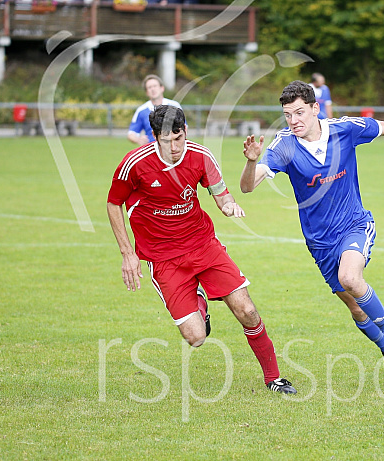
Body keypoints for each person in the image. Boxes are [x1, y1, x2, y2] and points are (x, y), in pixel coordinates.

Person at [240, 81, 384, 376]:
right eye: (288, 115)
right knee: (355, 307)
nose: (294, 120)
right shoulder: (284, 146)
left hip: (354, 224)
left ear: (316, 109)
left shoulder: (343, 129)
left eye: (300, 112)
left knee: (350, 277)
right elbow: (248, 187)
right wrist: (251, 163)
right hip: (320, 242)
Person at [108, 105, 296, 394]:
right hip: (163, 259)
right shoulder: (135, 163)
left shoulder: (200, 156)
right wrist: (127, 253)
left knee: (247, 310)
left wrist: (230, 205)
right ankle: (199, 301)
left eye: (179, 138)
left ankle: (274, 378)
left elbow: (221, 194)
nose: (174, 147)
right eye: (166, 140)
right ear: (155, 137)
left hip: (203, 245)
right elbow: (113, 203)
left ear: (186, 131)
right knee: (196, 337)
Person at [127, 74, 182, 146]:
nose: (153, 89)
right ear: (146, 92)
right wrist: (138, 139)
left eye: (155, 86)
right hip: (152, 151)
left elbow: (184, 127)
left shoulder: (174, 106)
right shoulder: (142, 110)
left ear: (162, 88)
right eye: (149, 87)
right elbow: (131, 133)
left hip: (172, 149)